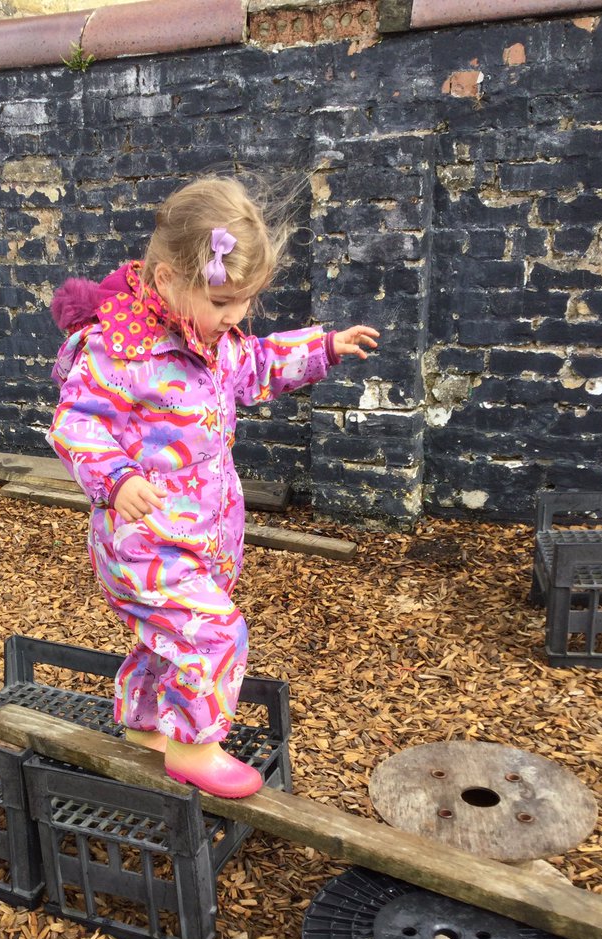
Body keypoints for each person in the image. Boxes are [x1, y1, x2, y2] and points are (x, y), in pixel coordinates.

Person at [47, 176, 379, 798]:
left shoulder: (216, 343)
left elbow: (260, 363)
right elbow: (76, 421)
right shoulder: (120, 353)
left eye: (243, 305)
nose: (236, 319)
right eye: (224, 303)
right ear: (169, 280)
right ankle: (195, 748)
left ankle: (146, 724)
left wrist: (325, 346)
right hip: (144, 543)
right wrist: (116, 479)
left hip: (203, 538)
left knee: (169, 639)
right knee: (211, 632)